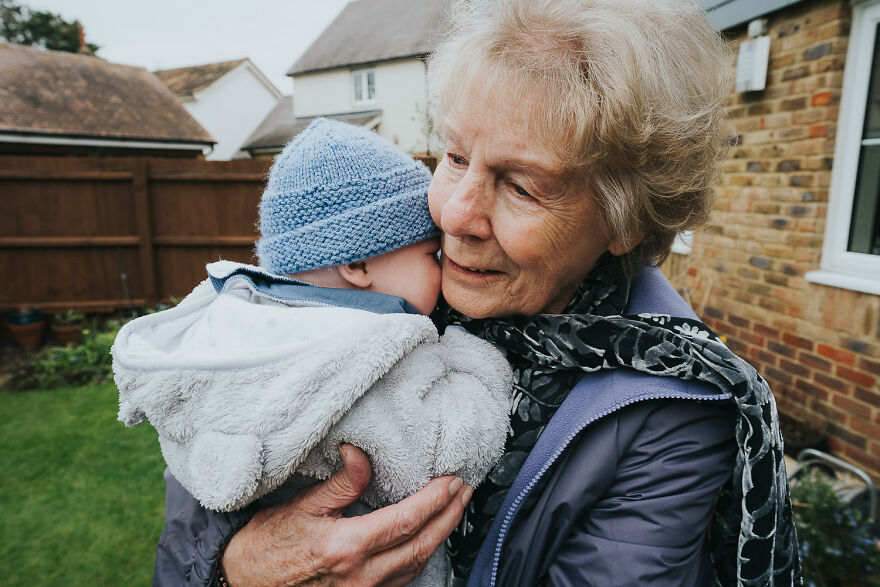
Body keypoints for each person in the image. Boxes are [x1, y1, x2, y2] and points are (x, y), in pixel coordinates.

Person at [152, 1, 801, 585]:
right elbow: (216, 437)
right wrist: (234, 565)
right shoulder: (404, 282)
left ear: (625, 220)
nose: (455, 214)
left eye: (520, 186)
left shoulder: (671, 413)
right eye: (457, 157)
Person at [113, 118, 512, 586]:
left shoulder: (240, 329)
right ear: (357, 264)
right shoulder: (365, 352)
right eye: (430, 255)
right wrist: (475, 363)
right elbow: (442, 454)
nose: (444, 266)